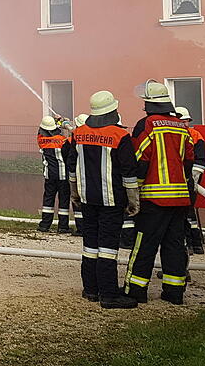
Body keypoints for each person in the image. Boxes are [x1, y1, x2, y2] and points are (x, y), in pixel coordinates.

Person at [66, 90, 140, 309]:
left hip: (87, 198)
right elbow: (128, 172)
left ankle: (90, 289)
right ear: (112, 111)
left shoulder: (78, 133)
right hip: (111, 200)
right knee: (107, 247)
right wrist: (133, 200)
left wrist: (74, 192)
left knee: (90, 245)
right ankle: (109, 295)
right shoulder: (120, 136)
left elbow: (72, 167)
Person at [124, 80, 194, 305]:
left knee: (144, 244)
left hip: (154, 198)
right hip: (180, 198)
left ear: (149, 104)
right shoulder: (181, 126)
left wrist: (135, 190)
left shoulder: (147, 125)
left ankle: (135, 290)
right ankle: (174, 293)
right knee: (174, 244)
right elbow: (189, 161)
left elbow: (140, 160)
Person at [176, 106, 205, 254]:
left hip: (190, 179)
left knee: (187, 211)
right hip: (177, 180)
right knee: (187, 212)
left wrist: (194, 178)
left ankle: (193, 244)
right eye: (183, 121)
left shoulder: (195, 135)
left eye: (187, 121)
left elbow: (200, 161)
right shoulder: (175, 134)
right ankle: (193, 244)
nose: (186, 124)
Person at [37, 115, 71, 233]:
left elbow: (41, 131)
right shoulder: (63, 140)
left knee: (48, 200)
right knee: (63, 201)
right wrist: (62, 122)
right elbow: (72, 141)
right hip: (63, 176)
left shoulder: (41, 140)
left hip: (49, 175)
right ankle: (63, 226)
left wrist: (55, 122)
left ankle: (44, 225)